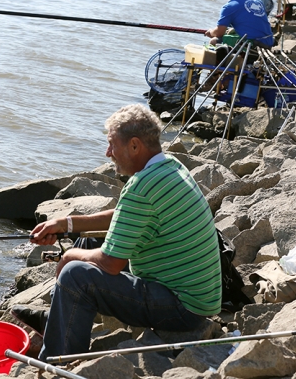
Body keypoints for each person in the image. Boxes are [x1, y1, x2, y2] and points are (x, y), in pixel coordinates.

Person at [13, 104, 222, 361]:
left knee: (74, 274)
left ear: (134, 146)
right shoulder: (169, 166)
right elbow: (125, 217)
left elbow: (112, 264)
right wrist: (66, 224)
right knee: (87, 242)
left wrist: (69, 257)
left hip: (182, 308)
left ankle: (58, 360)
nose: (107, 152)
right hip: (199, 298)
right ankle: (56, 321)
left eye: (112, 144)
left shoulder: (142, 186)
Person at [204, 0, 274, 48]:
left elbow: (219, 33)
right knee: (230, 32)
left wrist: (211, 32)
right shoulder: (258, 1)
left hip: (254, 43)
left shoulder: (229, 7)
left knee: (214, 41)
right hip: (269, 41)